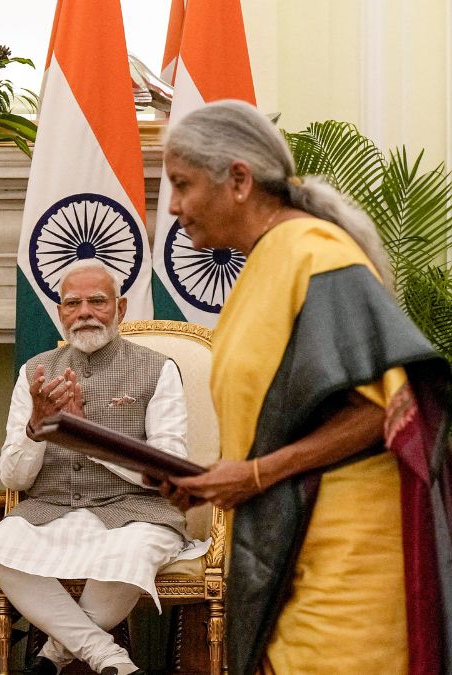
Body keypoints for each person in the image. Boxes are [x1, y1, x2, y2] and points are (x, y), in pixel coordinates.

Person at [157, 99, 452, 675]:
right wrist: (211, 478)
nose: (173, 206)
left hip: (348, 559)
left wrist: (255, 474)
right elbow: (286, 419)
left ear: (238, 180)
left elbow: (384, 412)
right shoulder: (265, 262)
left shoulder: (316, 255)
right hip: (287, 546)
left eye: (182, 184)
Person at [0, 259, 206, 675]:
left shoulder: (157, 369)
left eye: (97, 301)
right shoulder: (34, 373)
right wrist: (36, 430)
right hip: (52, 512)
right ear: (60, 312)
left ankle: (51, 658)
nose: (85, 313)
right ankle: (111, 659)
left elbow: (167, 471)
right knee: (0, 551)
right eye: (73, 303)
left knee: (129, 554)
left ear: (120, 308)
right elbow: (13, 478)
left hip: (136, 514)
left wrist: (86, 435)